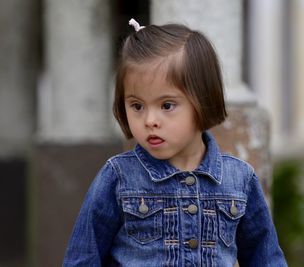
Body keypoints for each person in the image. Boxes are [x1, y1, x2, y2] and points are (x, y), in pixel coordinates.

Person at [62, 19, 287, 267]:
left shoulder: (239, 179)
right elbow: (82, 258)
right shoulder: (119, 177)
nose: (149, 120)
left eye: (167, 105)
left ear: (203, 101)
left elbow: (265, 258)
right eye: (137, 106)